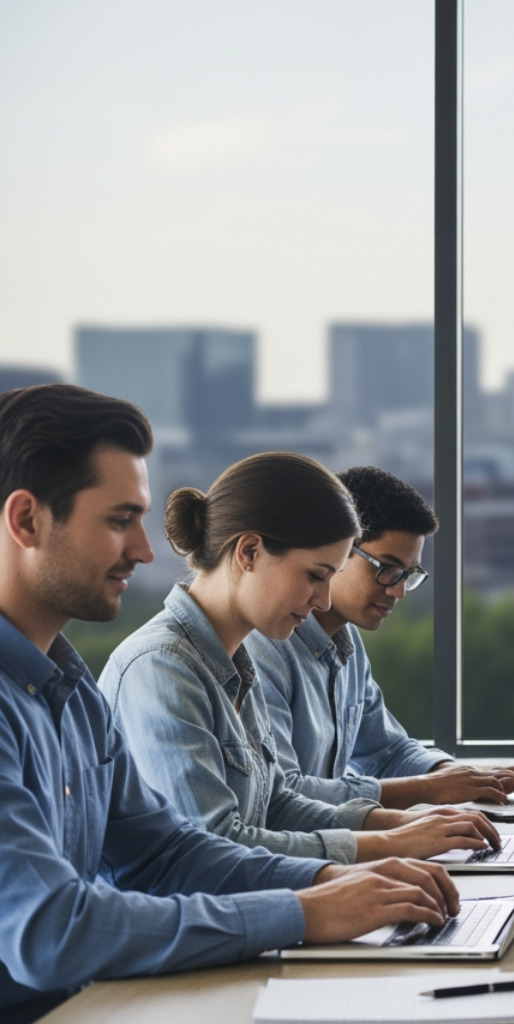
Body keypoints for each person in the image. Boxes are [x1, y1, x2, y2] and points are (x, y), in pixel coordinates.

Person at [0, 385, 459, 1023]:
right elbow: (51, 932)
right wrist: (304, 909)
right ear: (26, 521)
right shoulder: (143, 670)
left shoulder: (73, 695)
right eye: (117, 520)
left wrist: (329, 884)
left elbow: (168, 853)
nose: (144, 549)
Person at [101, 452, 502, 864]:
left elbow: (276, 805)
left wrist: (403, 828)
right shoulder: (161, 666)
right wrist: (389, 845)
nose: (324, 600)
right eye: (315, 575)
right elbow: (212, 849)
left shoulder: (233, 661)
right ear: (250, 552)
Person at [250, 466, 514, 809]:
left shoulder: (346, 645)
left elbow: (388, 752)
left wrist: (472, 778)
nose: (398, 591)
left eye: (408, 575)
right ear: (336, 552)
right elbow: (282, 796)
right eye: (388, 569)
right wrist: (430, 791)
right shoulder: (265, 649)